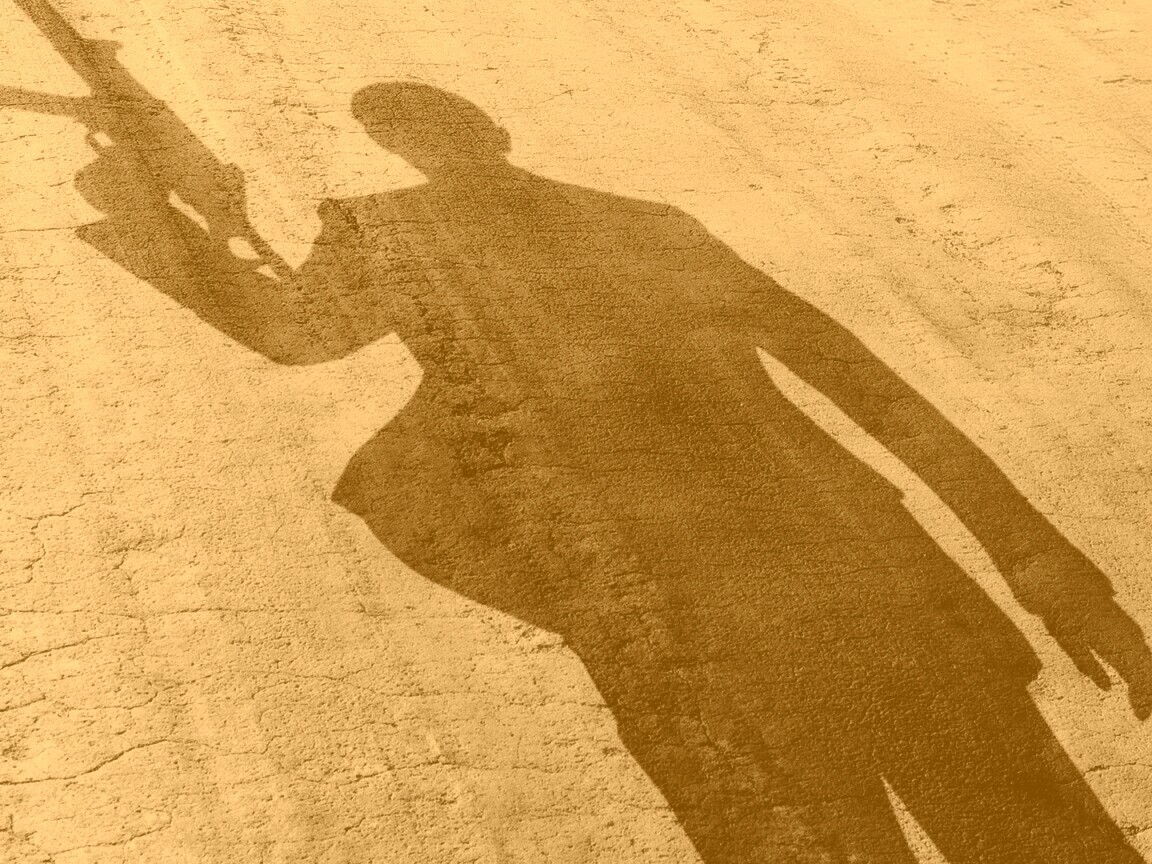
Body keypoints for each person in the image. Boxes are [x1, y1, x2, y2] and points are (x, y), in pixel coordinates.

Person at [71, 81, 1152, 863]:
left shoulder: (391, 230)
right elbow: (875, 394)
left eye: (411, 128)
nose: (420, 146)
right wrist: (1044, 566)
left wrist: (154, 213)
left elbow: (288, 333)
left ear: (460, 136)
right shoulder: (636, 223)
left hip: (704, 615)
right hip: (834, 586)